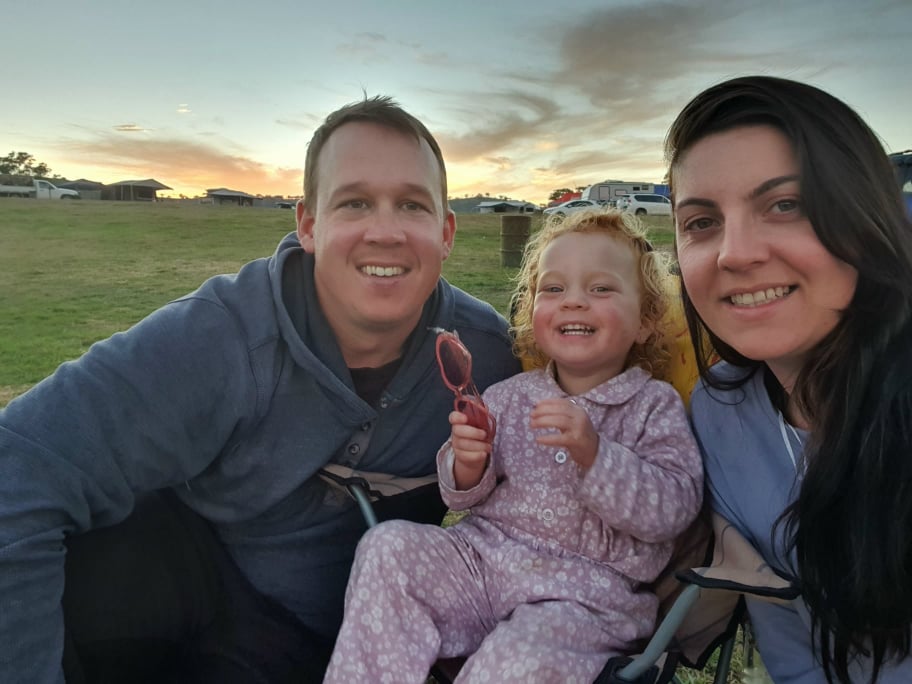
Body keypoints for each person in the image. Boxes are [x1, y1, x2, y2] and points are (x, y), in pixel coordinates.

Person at [0, 95, 521, 683]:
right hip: (177, 577)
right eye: (354, 202)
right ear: (308, 225)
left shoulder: (490, 358)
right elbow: (21, 464)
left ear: (446, 232)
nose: (385, 231)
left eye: (411, 204)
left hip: (329, 640)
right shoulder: (222, 333)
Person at [323, 210, 704, 683]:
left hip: (582, 599)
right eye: (554, 289)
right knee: (389, 546)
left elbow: (674, 510)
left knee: (514, 663)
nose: (574, 303)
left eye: (601, 289)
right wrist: (467, 461)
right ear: (532, 312)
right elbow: (462, 498)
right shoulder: (510, 393)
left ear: (646, 321)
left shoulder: (652, 405)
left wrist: (597, 454)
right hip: (482, 566)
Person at [668, 75, 912, 683]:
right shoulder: (720, 409)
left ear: (864, 219)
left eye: (785, 205)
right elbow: (787, 636)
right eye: (701, 221)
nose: (735, 253)